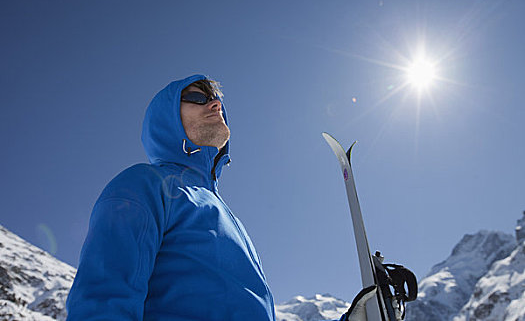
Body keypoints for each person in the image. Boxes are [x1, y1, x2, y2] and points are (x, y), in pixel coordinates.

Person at [65, 74, 375, 321]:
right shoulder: (145, 185)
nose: (214, 104)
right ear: (166, 119)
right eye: (197, 97)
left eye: (216, 100)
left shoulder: (224, 214)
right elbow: (103, 299)